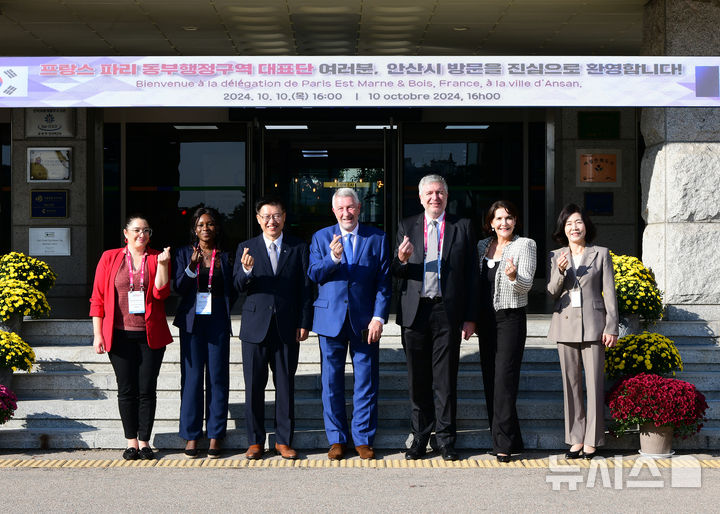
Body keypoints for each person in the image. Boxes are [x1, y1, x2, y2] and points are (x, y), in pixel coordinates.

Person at [391, 174, 477, 461]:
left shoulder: (461, 226)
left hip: (447, 311)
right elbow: (396, 273)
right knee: (418, 380)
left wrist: (470, 316)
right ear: (420, 197)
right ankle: (419, 437)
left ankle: (445, 440)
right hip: (415, 312)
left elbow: (471, 276)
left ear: (447, 196)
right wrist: (401, 260)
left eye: (439, 192)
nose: (434, 197)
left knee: (445, 379)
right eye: (429, 193)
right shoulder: (407, 225)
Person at [308, 188, 391, 461]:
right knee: (331, 382)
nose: (346, 213)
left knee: (365, 381)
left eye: (351, 208)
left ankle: (363, 438)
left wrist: (378, 317)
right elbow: (313, 274)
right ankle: (336, 439)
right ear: (334, 211)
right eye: (341, 209)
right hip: (330, 320)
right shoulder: (321, 237)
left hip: (365, 321)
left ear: (359, 209)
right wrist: (332, 259)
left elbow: (383, 282)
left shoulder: (377, 238)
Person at [234, 198, 313, 460]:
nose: (272, 221)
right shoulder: (246, 248)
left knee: (285, 386)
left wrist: (304, 322)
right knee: (254, 387)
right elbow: (237, 286)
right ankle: (255, 441)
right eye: (266, 216)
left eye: (276, 215)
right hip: (255, 328)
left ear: (284, 217)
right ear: (258, 219)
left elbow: (305, 289)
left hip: (287, 327)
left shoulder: (299, 247)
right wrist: (246, 271)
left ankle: (283, 441)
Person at [90, 215, 172, 461]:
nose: (142, 235)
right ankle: (131, 442)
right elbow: (98, 298)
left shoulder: (157, 257)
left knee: (147, 390)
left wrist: (164, 265)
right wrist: (97, 334)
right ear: (126, 233)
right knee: (126, 389)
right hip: (118, 334)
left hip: (150, 335)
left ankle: (145, 441)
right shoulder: (109, 257)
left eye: (146, 230)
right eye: (137, 230)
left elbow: (160, 293)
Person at [547, 203, 618, 460]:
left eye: (578, 222)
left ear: (586, 226)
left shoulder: (600, 254)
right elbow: (552, 292)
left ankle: (593, 439)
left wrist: (612, 326)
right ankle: (576, 438)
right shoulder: (556, 256)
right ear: (562, 230)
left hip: (594, 326)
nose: (574, 227)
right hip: (565, 324)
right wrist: (561, 270)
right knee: (571, 385)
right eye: (568, 224)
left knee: (594, 384)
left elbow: (609, 292)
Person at [476, 200, 536, 463]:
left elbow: (526, 287)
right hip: (486, 321)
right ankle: (512, 437)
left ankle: (502, 445)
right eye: (498, 219)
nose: (504, 223)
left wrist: (513, 276)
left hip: (510, 319)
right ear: (490, 222)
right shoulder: (482, 246)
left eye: (509, 218)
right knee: (490, 379)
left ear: (515, 221)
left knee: (504, 380)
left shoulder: (526, 245)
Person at [173, 207, 237, 459]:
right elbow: (178, 286)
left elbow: (234, 289)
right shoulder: (183, 253)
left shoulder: (227, 256)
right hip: (192, 322)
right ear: (194, 229)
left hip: (218, 320)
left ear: (217, 227)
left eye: (210, 224)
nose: (205, 229)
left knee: (218, 378)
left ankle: (215, 436)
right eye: (200, 225)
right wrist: (191, 266)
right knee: (191, 379)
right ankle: (191, 436)